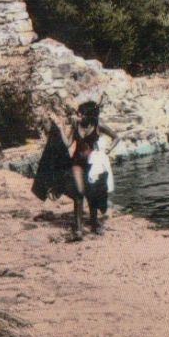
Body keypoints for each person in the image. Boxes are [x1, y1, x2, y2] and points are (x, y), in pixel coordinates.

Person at [50, 99, 117, 241]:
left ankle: (94, 223)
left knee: (92, 194)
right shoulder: (76, 126)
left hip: (93, 165)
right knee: (79, 193)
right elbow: (68, 144)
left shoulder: (99, 126)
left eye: (80, 114)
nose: (78, 116)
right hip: (77, 163)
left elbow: (116, 137)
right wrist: (61, 128)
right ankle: (79, 229)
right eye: (78, 114)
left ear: (89, 115)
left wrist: (109, 149)